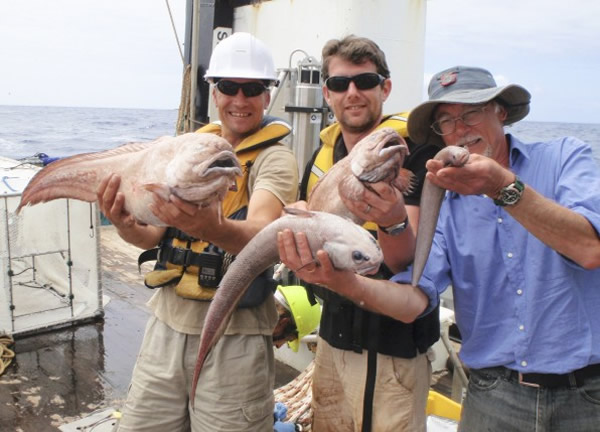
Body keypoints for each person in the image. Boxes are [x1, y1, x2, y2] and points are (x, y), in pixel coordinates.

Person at [283, 65, 600, 431]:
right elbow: (414, 298)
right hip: (493, 396)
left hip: (588, 394)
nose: (460, 129)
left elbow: (589, 249)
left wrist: (501, 188)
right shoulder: (443, 201)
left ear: (501, 111)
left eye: (472, 112)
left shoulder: (564, 157)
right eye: (446, 121)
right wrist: (342, 281)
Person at [98, 32, 299, 432]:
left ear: (268, 96)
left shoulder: (276, 159)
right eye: (228, 87)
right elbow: (153, 238)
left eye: (252, 89)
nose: (240, 100)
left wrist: (213, 227)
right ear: (214, 91)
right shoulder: (186, 150)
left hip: (236, 339)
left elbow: (262, 234)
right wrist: (125, 224)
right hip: (165, 329)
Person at [279, 35, 440, 432]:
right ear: (327, 94)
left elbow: (409, 262)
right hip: (332, 337)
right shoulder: (322, 158)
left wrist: (392, 219)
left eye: (365, 81)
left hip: (391, 350)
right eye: (339, 84)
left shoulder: (411, 152)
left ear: (385, 87)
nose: (352, 93)